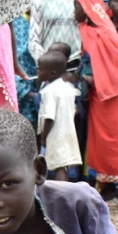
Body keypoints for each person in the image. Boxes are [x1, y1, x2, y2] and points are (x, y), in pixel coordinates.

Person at [75, 0, 118, 206]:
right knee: (100, 143)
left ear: (86, 9)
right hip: (98, 99)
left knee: (116, 143)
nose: (74, 11)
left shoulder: (104, 33)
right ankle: (108, 189)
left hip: (111, 97)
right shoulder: (89, 31)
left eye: (77, 7)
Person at [37, 51, 81, 181]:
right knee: (62, 165)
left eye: (40, 69)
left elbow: (49, 117)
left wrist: (44, 138)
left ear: (52, 74)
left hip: (55, 133)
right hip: (68, 131)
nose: (37, 72)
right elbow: (75, 110)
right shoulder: (67, 87)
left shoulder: (50, 91)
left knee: (59, 166)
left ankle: (62, 195)